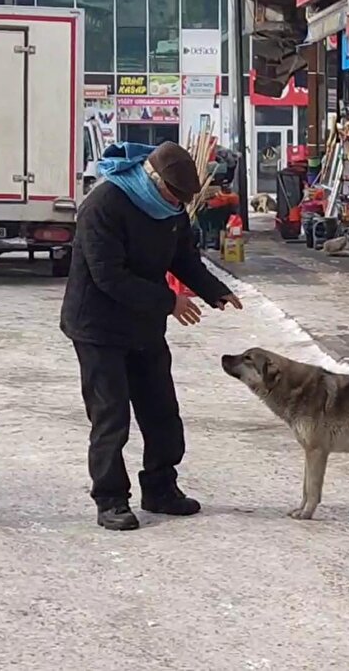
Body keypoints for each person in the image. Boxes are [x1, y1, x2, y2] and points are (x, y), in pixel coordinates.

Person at [61, 141, 242, 531]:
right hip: (97, 327)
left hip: (143, 325)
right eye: (174, 195)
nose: (179, 204)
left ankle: (161, 488)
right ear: (152, 178)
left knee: (161, 411)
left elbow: (183, 257)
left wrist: (213, 290)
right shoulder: (103, 204)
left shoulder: (170, 210)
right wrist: (168, 301)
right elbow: (107, 275)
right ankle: (110, 499)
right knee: (111, 415)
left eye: (183, 199)